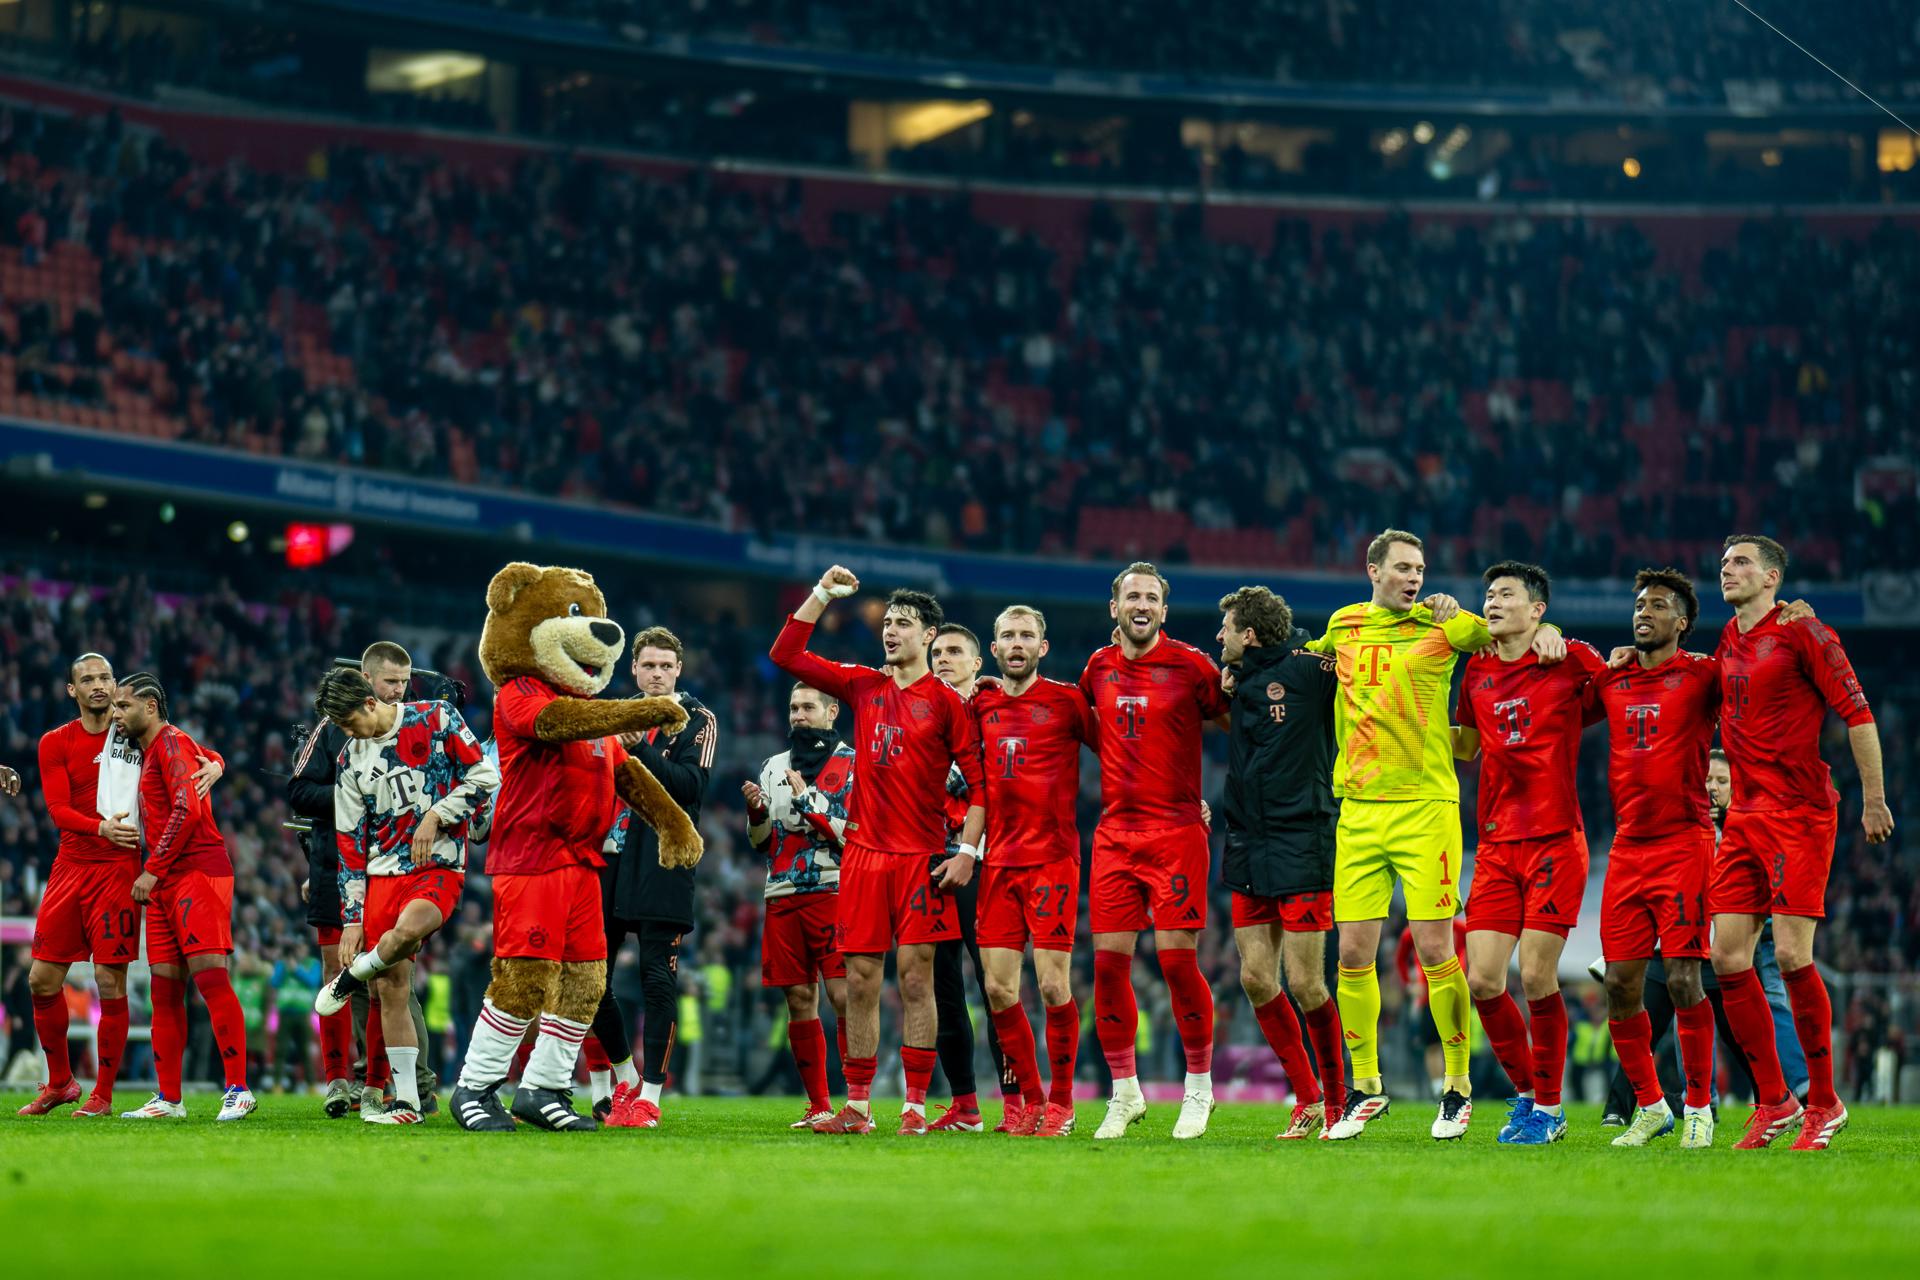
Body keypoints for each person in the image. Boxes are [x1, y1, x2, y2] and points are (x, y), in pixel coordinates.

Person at [1307, 530, 1566, 1142]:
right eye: (1402, 568)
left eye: (1420, 569)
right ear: (1373, 570)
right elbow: (1307, 662)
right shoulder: (1343, 626)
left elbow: (1514, 636)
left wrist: (1552, 634)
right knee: (1350, 954)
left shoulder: (1446, 625)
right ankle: (1366, 1089)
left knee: (1432, 949)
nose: (1414, 578)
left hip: (1427, 807)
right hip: (1360, 809)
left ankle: (1457, 1087)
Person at [769, 565, 987, 1135]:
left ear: (929, 635)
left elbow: (983, 787)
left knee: (917, 981)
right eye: (887, 622)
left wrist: (966, 852)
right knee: (861, 981)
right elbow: (787, 653)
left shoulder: (947, 704)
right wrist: (820, 594)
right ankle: (859, 1107)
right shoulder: (863, 685)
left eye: (904, 624)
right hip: (862, 856)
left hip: (920, 859)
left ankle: (914, 1107)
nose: (891, 632)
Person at [1709, 535, 1889, 1150]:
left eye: (1741, 563)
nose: (1727, 570)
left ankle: (1825, 1102)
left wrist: (1874, 799)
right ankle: (1775, 1102)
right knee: (1727, 958)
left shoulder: (1807, 634)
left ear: (1773, 578)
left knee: (1790, 957)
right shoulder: (1729, 638)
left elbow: (1858, 714)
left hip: (1799, 813)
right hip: (1744, 818)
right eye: (1725, 562)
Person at [21, 654, 219, 1117]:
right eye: (86, 679)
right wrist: (100, 828)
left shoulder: (133, 733)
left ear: (115, 686)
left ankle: (102, 1095)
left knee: (111, 983)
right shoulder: (55, 742)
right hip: (71, 866)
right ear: (72, 691)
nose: (98, 685)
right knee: (41, 979)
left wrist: (217, 762)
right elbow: (57, 810)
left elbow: (189, 747)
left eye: (105, 677)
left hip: (119, 871)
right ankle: (60, 1082)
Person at [1452, 562, 1607, 1146]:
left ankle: (1548, 1108)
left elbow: (1617, 686)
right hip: (1494, 843)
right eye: (1487, 594)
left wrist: (1563, 639)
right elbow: (1466, 744)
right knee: (1485, 981)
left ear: (1536, 609)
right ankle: (1527, 1095)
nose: (1491, 602)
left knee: (1538, 974)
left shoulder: (1569, 658)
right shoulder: (1476, 669)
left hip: (1553, 840)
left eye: (1505, 595)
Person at [1081, 562, 1231, 1141]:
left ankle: (1199, 1088)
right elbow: (1095, 730)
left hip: (1175, 834)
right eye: (1131, 596)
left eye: (1151, 597)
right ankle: (1124, 1093)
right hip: (1116, 834)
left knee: (1175, 960)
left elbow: (1232, 726)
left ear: (1163, 611)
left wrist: (1205, 797)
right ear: (1114, 607)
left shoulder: (1193, 666)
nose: (1140, 604)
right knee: (1108, 966)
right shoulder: (1097, 667)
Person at [312, 669, 498, 1125]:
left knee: (410, 929)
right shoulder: (349, 762)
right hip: (381, 875)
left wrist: (438, 813)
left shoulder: (436, 718)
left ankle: (353, 975)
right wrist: (352, 919)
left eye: (350, 722)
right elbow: (350, 844)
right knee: (393, 986)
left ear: (370, 704)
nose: (348, 733)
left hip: (438, 864)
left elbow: (484, 774)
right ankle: (408, 1102)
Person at [1586, 570, 1723, 1148]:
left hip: (1685, 844)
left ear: (1682, 622)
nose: (1644, 612)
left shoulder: (1701, 676)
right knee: (1620, 983)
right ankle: (1650, 1105)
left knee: (1687, 977)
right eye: (1639, 603)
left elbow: (1754, 685)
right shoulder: (1610, 678)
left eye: (1659, 605)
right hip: (1626, 848)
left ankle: (1698, 1105)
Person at [1215, 586, 1348, 1141]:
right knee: (1254, 977)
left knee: (1307, 983)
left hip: (1302, 837)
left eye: (1225, 628)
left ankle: (1342, 1101)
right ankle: (1308, 1099)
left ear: (1248, 633)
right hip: (1248, 841)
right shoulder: (1238, 678)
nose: (1218, 636)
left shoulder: (1314, 668)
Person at [288, 641, 438, 1118]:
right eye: (391, 681)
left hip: (396, 873)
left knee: (388, 980)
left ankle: (391, 1084)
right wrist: (353, 794)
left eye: (405, 681)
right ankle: (343, 1081)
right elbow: (298, 790)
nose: (400, 690)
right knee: (340, 977)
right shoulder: (331, 731)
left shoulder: (417, 727)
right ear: (369, 683)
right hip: (337, 867)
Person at [971, 605, 1095, 1138]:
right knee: (998, 990)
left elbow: (1121, 753)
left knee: (1050, 986)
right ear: (994, 650)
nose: (1017, 643)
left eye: (1027, 635)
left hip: (1051, 861)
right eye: (1007, 636)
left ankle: (1063, 1105)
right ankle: (1032, 1101)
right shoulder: (981, 702)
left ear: (1042, 648)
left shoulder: (1067, 702)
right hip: (998, 861)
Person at [590, 627, 718, 1129]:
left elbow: (691, 786)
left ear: (678, 670)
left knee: (657, 982)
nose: (658, 674)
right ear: (634, 670)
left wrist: (639, 750)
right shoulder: (616, 716)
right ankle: (623, 1079)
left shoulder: (697, 720)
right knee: (590, 977)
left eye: (666, 666)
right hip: (608, 860)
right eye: (649, 666)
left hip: (664, 863)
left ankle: (652, 1096)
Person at [113, 674, 255, 1122]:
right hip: (168, 879)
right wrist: (216, 760)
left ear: (150, 706)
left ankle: (238, 1088)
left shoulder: (170, 744)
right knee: (164, 989)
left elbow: (186, 809)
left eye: (124, 705)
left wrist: (151, 871)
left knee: (209, 978)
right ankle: (169, 1098)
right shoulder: (160, 748)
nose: (117, 714)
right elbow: (204, 757)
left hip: (195, 870)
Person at [746, 683, 856, 1129]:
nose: (799, 715)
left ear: (831, 712)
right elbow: (763, 844)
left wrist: (808, 801)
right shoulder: (772, 766)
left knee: (845, 995)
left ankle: (857, 1102)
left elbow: (854, 834)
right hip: (782, 893)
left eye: (808, 707)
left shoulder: (852, 763)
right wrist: (755, 815)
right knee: (798, 997)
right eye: (793, 707)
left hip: (835, 891)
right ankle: (818, 1104)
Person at [925, 623, 1016, 1132]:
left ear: (978, 663)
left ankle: (1016, 1103)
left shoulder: (993, 710)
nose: (944, 659)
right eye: (937, 652)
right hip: (927, 863)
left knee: (995, 985)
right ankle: (965, 1107)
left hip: (985, 862)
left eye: (956, 652)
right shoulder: (917, 710)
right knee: (942, 990)